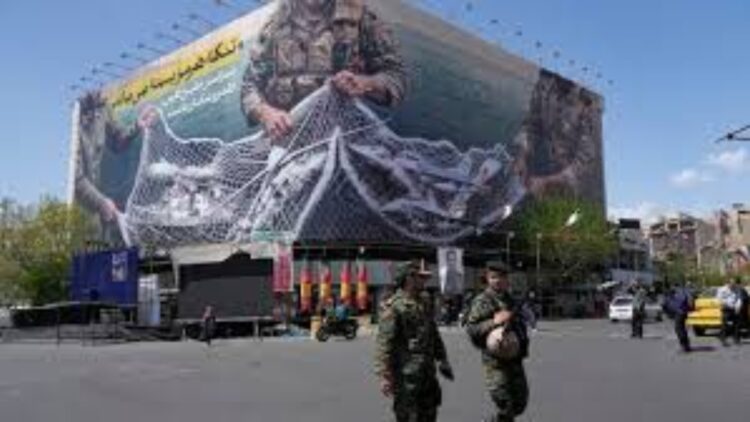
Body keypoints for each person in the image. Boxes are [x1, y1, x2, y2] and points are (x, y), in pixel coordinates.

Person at [241, 0, 407, 140]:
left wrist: (365, 83)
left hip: (346, 136)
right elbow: (250, 86)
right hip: (287, 139)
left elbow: (396, 76)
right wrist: (265, 113)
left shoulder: (362, 19)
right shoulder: (274, 26)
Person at [374, 260, 454, 422]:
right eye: (420, 277)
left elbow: (433, 333)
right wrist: (384, 375)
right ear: (408, 279)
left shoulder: (424, 301)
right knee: (408, 416)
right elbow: (384, 343)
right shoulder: (394, 307)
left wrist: (442, 359)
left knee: (430, 414)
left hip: (427, 373)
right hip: (406, 377)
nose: (424, 280)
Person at [465, 264, 529, 422]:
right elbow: (472, 329)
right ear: (487, 279)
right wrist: (494, 322)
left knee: (520, 403)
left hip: (514, 358)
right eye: (493, 277)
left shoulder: (511, 300)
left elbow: (521, 326)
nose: (498, 280)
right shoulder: (482, 300)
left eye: (502, 277)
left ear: (507, 279)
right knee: (505, 403)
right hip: (495, 361)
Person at [665, 285, 694, 353]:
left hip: (679, 312)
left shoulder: (676, 294)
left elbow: (666, 304)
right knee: (682, 329)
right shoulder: (683, 292)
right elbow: (689, 302)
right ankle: (686, 345)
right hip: (683, 312)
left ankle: (684, 345)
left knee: (678, 329)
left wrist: (668, 312)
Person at [718, 279, 742, 346]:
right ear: (728, 283)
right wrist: (727, 304)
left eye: (734, 284)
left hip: (735, 309)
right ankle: (723, 339)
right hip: (726, 309)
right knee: (725, 325)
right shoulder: (722, 290)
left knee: (737, 324)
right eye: (731, 284)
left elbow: (739, 299)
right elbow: (720, 299)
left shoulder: (737, 289)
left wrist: (738, 306)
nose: (733, 286)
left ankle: (736, 339)